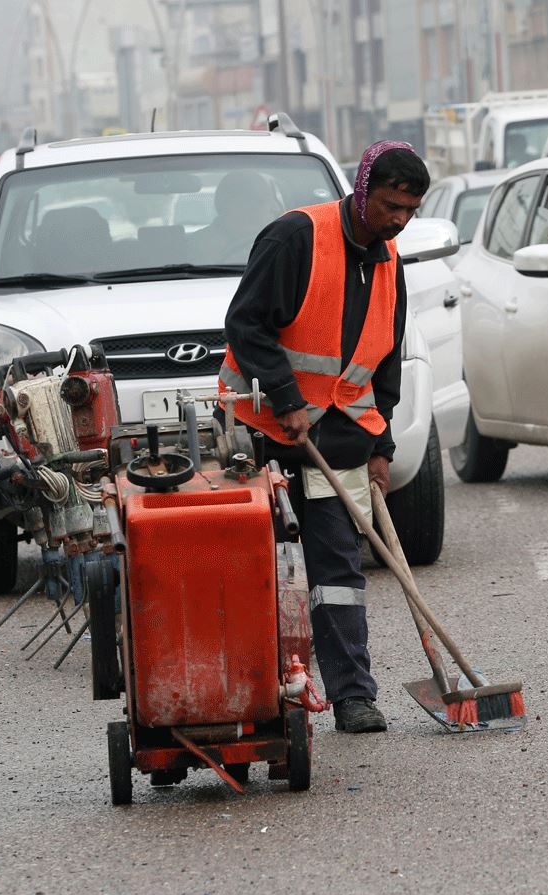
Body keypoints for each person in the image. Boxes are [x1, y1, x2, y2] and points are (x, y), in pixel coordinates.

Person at [219, 141, 429, 734]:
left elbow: (382, 368)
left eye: (409, 211)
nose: (397, 221)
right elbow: (246, 324)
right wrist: (286, 399)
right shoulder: (295, 239)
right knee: (259, 571)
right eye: (390, 205)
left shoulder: (390, 264)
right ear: (362, 191)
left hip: (338, 446)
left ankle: (353, 697)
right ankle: (252, 698)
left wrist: (381, 447)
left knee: (339, 573)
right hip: (264, 435)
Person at [191, 170, 283, 262]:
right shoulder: (199, 245)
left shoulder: (280, 241)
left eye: (270, 201)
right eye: (261, 201)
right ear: (229, 205)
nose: (275, 209)